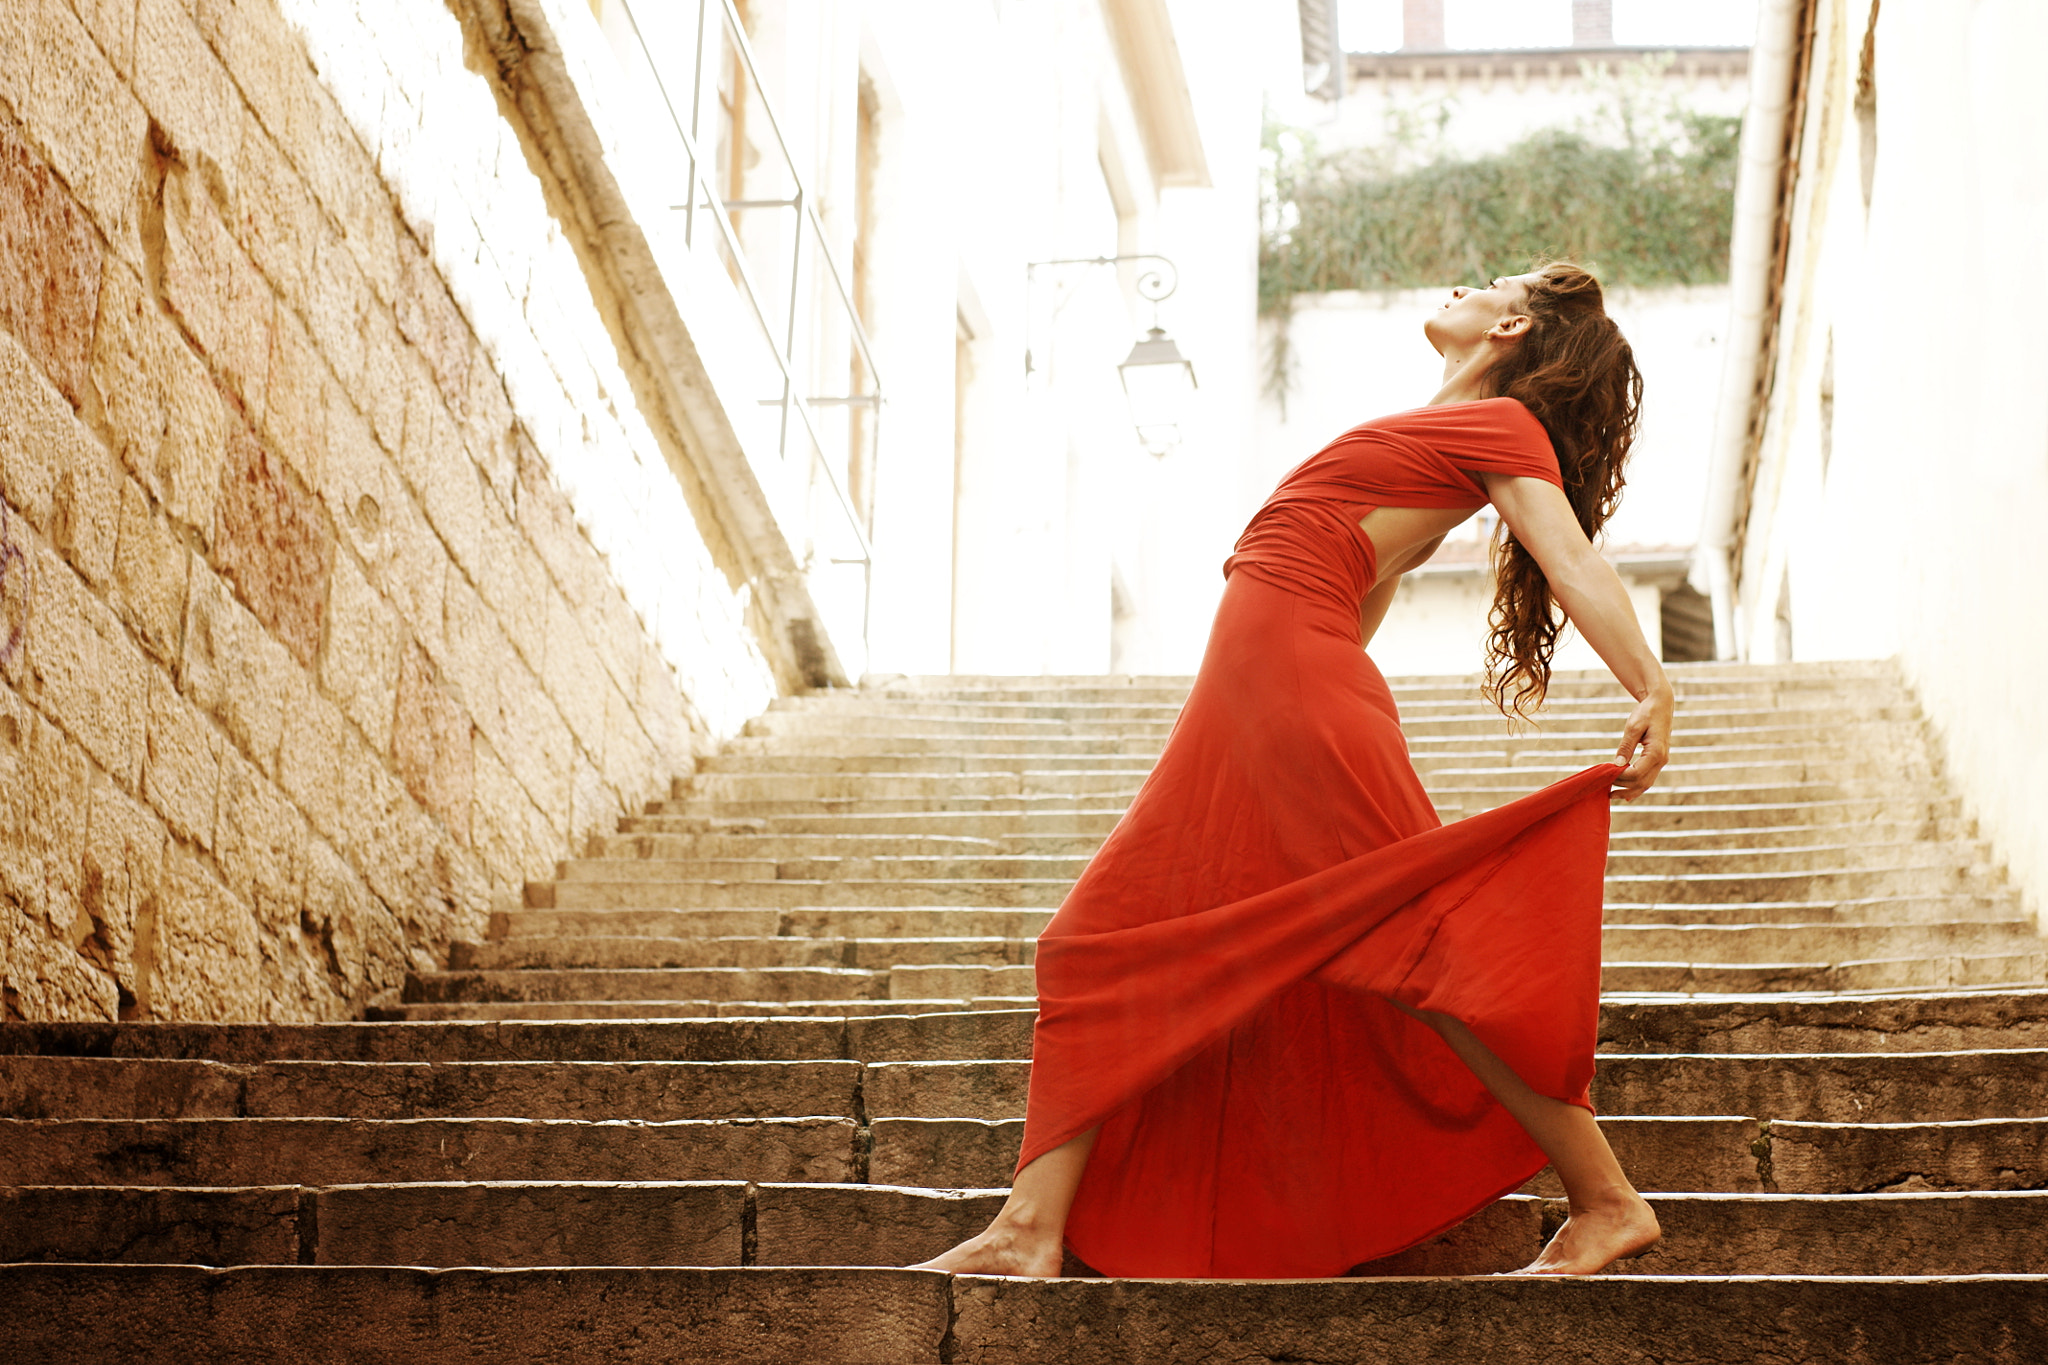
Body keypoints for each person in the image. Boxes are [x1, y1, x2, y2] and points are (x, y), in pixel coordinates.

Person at [916, 262, 1673, 1280]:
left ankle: (1605, 1200)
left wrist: (1650, 687)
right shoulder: (1437, 431)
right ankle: (1028, 1228)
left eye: (1491, 279)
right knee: (1099, 943)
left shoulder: (1502, 430)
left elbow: (1567, 558)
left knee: (1417, 947)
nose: (1459, 280)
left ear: (1507, 324)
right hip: (1259, 702)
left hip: (1289, 696)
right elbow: (1363, 585)